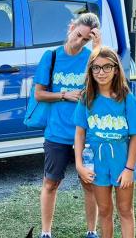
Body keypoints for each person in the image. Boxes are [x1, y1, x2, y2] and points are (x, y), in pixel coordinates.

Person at [34, 12, 102, 238]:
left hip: (86, 133)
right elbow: (39, 95)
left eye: (85, 39)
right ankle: (46, 232)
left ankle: (91, 231)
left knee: (89, 184)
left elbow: (105, 86)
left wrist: (98, 46)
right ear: (71, 27)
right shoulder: (51, 57)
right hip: (57, 133)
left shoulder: (91, 58)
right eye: (78, 35)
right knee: (51, 183)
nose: (79, 41)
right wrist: (64, 94)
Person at [74, 47, 136, 238]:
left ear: (116, 69)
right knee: (104, 210)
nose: (101, 72)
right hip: (97, 164)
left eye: (106, 67)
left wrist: (129, 169)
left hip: (122, 163)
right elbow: (79, 133)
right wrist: (79, 164)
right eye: (96, 68)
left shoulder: (127, 99)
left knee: (125, 210)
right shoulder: (86, 98)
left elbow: (135, 136)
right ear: (90, 71)